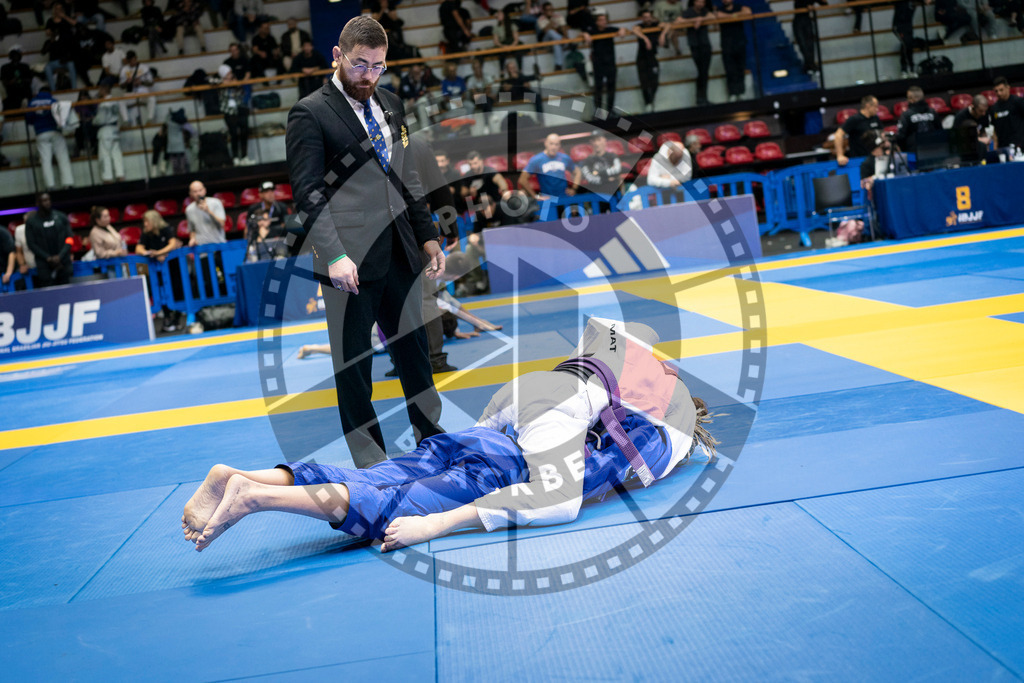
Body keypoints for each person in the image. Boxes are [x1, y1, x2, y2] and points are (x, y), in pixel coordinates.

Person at [182, 318, 718, 552]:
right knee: (391, 508)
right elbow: (556, 499)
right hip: (515, 452)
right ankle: (255, 496)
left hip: (513, 410)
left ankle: (244, 475)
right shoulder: (666, 440)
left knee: (383, 474)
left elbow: (605, 346)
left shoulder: (644, 384)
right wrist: (437, 524)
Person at [285, 15, 446, 469]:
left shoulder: (391, 104)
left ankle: (432, 439)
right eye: (360, 65)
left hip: (400, 247)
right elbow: (309, 193)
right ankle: (371, 462)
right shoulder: (310, 112)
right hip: (347, 259)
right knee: (354, 365)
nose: (369, 76)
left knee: (414, 351)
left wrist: (428, 235)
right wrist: (333, 254)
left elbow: (407, 176)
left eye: (378, 67)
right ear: (337, 56)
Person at [136, 209, 185, 331]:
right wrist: (149, 253)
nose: (145, 224)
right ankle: (167, 317)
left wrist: (159, 253)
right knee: (160, 292)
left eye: (147, 221)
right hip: (156, 270)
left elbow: (172, 244)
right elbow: (138, 249)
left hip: (173, 267)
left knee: (178, 290)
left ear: (153, 221)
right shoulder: (146, 234)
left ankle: (177, 318)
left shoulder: (166, 230)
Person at [27, 85, 75, 190]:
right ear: (49, 92)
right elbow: (62, 116)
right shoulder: (53, 100)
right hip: (55, 131)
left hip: (41, 133)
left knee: (45, 160)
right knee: (62, 157)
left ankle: (50, 186)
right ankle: (68, 183)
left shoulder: (32, 102)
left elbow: (28, 119)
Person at [25, 192, 74, 288]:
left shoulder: (61, 217)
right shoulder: (31, 222)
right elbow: (31, 244)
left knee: (66, 290)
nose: (47, 203)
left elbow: (70, 239)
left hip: (63, 261)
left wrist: (60, 256)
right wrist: (47, 258)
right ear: (37, 203)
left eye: (48, 200)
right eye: (43, 200)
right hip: (44, 264)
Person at [582, 12, 627, 113]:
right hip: (598, 64)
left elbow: (622, 29)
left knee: (611, 87)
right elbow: (583, 33)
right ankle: (598, 111)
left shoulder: (609, 29)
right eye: (601, 20)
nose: (604, 22)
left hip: (610, 62)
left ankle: (610, 110)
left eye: (605, 19)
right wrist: (585, 34)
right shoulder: (592, 30)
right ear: (597, 22)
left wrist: (622, 30)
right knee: (598, 88)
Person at [521, 133, 581, 201]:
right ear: (545, 143)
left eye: (556, 144)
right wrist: (535, 196)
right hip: (547, 200)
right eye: (551, 143)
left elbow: (577, 172)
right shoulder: (536, 160)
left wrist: (574, 188)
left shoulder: (565, 158)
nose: (553, 147)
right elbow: (522, 180)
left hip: (564, 198)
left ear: (559, 145)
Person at [217, 64, 253, 165]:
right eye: (228, 73)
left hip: (239, 109)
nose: (231, 75)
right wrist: (226, 84)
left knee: (244, 132)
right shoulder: (219, 83)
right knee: (234, 134)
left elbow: (241, 95)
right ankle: (235, 157)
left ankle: (245, 156)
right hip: (229, 112)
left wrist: (236, 85)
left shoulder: (235, 80)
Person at [716, 0, 751, 102]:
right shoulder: (719, 9)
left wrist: (729, 16)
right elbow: (718, 16)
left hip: (740, 42)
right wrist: (736, 16)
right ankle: (732, 93)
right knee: (730, 70)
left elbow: (748, 12)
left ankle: (741, 92)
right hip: (727, 44)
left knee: (741, 68)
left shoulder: (739, 6)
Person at [91, 81, 125, 183]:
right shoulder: (115, 100)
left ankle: (107, 178)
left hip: (105, 130)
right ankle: (120, 175)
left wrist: (93, 120)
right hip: (115, 129)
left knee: (105, 155)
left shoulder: (104, 104)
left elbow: (100, 119)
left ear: (103, 90)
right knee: (116, 154)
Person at [834, 94, 881, 166]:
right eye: (875, 106)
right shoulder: (855, 119)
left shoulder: (875, 118)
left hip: (876, 159)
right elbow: (838, 135)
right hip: (859, 160)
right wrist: (840, 155)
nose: (877, 109)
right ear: (868, 105)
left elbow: (882, 134)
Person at [43, 2, 77, 92]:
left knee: (71, 65)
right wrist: (51, 33)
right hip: (54, 57)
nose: (58, 11)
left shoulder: (66, 19)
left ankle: (74, 89)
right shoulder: (50, 21)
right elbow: (47, 32)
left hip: (66, 57)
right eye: (56, 9)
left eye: (60, 9)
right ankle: (53, 91)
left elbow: (74, 23)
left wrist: (64, 16)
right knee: (47, 68)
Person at [894, 85, 936, 155]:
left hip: (914, 152)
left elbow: (900, 136)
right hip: (934, 150)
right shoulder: (932, 112)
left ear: (911, 99)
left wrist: (904, 150)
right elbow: (940, 131)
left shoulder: (906, 115)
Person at [633, 9, 660, 113]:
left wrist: (662, 35)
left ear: (651, 17)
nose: (647, 19)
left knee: (655, 82)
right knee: (644, 82)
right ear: (642, 18)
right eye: (645, 17)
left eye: (648, 17)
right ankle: (647, 103)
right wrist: (645, 38)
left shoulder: (656, 24)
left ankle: (652, 101)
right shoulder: (640, 26)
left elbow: (667, 25)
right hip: (642, 58)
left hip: (653, 57)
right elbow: (635, 29)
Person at [579, 132, 623, 196]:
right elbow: (589, 178)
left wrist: (597, 173)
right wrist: (607, 179)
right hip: (597, 194)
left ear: (604, 141)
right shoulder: (587, 161)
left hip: (613, 192)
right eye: (594, 141)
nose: (596, 143)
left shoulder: (612, 156)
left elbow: (618, 170)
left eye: (599, 140)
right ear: (591, 142)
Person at [119, 50, 156, 125]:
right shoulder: (124, 69)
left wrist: (141, 82)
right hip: (131, 94)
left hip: (143, 93)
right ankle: (126, 121)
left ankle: (150, 119)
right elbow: (121, 86)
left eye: (133, 59)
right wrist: (127, 82)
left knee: (152, 98)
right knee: (121, 102)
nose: (131, 62)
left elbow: (151, 83)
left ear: (136, 58)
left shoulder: (144, 67)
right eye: (129, 60)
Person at [185, 180, 227, 246]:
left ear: (205, 190)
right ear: (190, 194)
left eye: (200, 190)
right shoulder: (189, 210)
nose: (198, 193)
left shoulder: (215, 203)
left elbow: (222, 223)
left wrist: (208, 211)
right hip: (201, 249)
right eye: (195, 191)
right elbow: (192, 229)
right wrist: (192, 239)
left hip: (218, 245)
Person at [792, 0, 826, 76]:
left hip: (807, 20)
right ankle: (812, 66)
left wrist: (810, 4)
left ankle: (809, 66)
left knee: (810, 44)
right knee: (802, 45)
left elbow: (824, 3)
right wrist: (807, 4)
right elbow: (798, 4)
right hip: (798, 21)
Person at [991, 76, 1024, 150]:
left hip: (1019, 146)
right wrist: (995, 148)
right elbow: (994, 131)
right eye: (996, 91)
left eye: (1001, 90)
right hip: (1003, 148)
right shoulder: (994, 108)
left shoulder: (1018, 102)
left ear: (1008, 88)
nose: (999, 93)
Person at [1, 48, 35, 112]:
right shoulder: (5, 68)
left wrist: (21, 80)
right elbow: (4, 82)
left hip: (25, 91)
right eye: (14, 55)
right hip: (12, 93)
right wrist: (11, 82)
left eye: (18, 55)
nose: (16, 57)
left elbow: (30, 80)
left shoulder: (25, 66)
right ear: (10, 57)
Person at [537, 2, 568, 70]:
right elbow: (545, 31)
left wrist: (565, 36)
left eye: (551, 9)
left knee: (555, 42)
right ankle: (566, 42)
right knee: (550, 32)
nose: (550, 11)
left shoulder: (558, 16)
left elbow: (564, 29)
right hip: (547, 42)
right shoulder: (540, 19)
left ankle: (558, 65)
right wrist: (551, 21)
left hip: (557, 41)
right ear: (544, 11)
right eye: (548, 10)